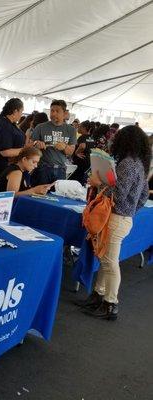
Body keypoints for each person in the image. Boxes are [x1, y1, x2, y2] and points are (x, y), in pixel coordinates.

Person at [80, 126, 150, 320]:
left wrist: (97, 183)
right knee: (106, 258)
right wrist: (130, 211)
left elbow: (118, 194)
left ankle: (111, 303)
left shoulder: (127, 164)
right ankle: (98, 295)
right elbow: (143, 196)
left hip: (116, 217)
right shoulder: (140, 164)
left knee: (109, 262)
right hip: (123, 218)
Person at [30, 99, 76, 185]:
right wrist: (36, 144)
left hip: (61, 170)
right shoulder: (40, 127)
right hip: (42, 168)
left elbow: (71, 152)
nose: (53, 114)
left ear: (64, 113)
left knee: (57, 196)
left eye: (57, 111)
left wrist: (65, 147)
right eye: (52, 111)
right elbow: (29, 146)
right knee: (38, 196)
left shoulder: (71, 130)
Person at [0, 98, 25, 178]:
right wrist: (25, 150)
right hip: (1, 166)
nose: (21, 115)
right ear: (15, 111)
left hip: (5, 165)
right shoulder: (4, 125)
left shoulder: (9, 124)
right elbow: (5, 152)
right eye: (21, 112)